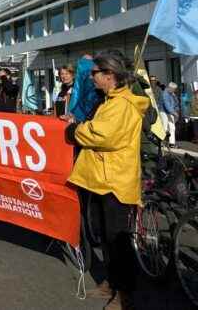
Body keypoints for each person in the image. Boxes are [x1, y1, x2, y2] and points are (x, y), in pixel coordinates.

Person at [62, 51, 148, 309]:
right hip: (101, 178)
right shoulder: (109, 100)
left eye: (96, 73)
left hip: (115, 182)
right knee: (105, 236)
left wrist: (75, 131)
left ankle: (124, 295)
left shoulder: (122, 104)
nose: (92, 77)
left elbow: (102, 135)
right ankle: (111, 282)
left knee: (118, 240)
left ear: (109, 75)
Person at [161, 82, 180, 148]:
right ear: (170, 88)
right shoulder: (165, 94)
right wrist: (175, 113)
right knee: (165, 127)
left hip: (170, 112)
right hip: (164, 112)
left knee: (172, 127)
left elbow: (176, 103)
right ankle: (162, 142)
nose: (174, 90)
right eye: (174, 89)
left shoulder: (171, 94)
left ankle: (172, 143)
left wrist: (175, 97)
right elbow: (167, 106)